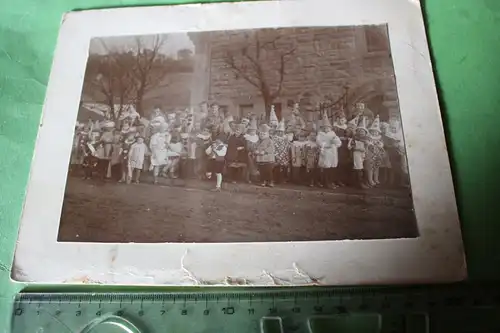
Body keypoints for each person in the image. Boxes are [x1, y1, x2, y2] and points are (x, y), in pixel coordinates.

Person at [316, 113, 342, 189]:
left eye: (328, 128)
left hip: (333, 153)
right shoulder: (320, 134)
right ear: (323, 128)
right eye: (325, 128)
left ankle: (331, 182)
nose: (327, 129)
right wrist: (324, 145)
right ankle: (326, 183)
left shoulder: (333, 134)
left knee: (332, 168)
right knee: (326, 168)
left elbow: (339, 143)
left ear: (330, 128)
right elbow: (319, 142)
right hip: (326, 152)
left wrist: (335, 140)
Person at [348, 117, 370, 189]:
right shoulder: (354, 139)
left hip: (364, 154)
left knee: (364, 168)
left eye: (363, 131)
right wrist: (356, 147)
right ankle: (359, 183)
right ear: (357, 132)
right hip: (357, 153)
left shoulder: (366, 139)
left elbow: (368, 146)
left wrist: (366, 145)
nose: (361, 133)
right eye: (360, 131)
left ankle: (364, 181)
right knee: (358, 167)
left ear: (365, 132)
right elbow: (351, 147)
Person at [333, 112, 351, 187]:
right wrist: (339, 138)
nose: (341, 121)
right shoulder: (335, 128)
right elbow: (333, 137)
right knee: (338, 163)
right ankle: (337, 180)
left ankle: (344, 179)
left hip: (345, 147)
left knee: (344, 163)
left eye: (343, 119)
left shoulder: (347, 128)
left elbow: (349, 136)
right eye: (340, 119)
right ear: (337, 119)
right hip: (337, 147)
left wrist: (347, 138)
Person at [272, 119, 291, 184]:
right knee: (276, 167)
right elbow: (273, 147)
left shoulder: (286, 138)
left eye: (282, 131)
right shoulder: (274, 138)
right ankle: (275, 179)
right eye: (279, 131)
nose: (280, 133)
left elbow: (287, 147)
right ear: (277, 131)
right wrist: (276, 155)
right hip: (276, 154)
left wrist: (283, 154)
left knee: (284, 167)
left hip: (284, 155)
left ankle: (283, 179)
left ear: (284, 132)